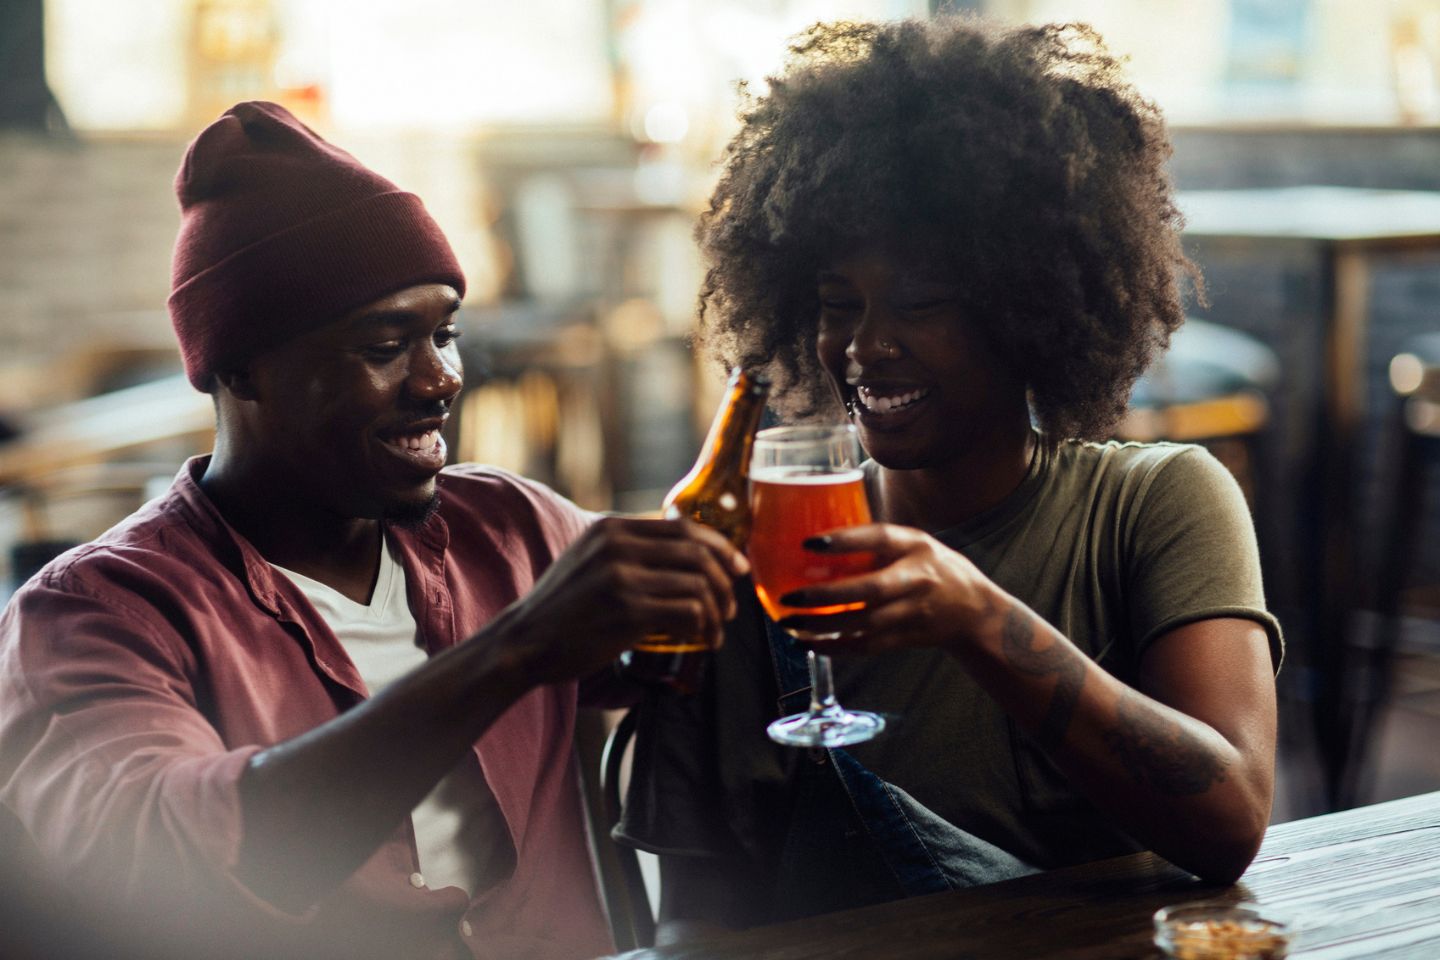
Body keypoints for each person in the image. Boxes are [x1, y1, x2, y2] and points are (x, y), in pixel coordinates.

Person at [0, 101, 747, 960]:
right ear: (241, 367)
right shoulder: (95, 615)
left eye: (446, 334)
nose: (439, 380)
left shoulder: (513, 528)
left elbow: (720, 667)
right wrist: (516, 650)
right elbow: (174, 869)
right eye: (386, 343)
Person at [617, 15, 1283, 941]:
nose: (865, 346)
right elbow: (696, 925)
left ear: (1030, 309)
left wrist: (976, 617)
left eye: (922, 305)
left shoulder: (1157, 502)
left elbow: (1231, 821)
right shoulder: (760, 562)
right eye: (837, 306)